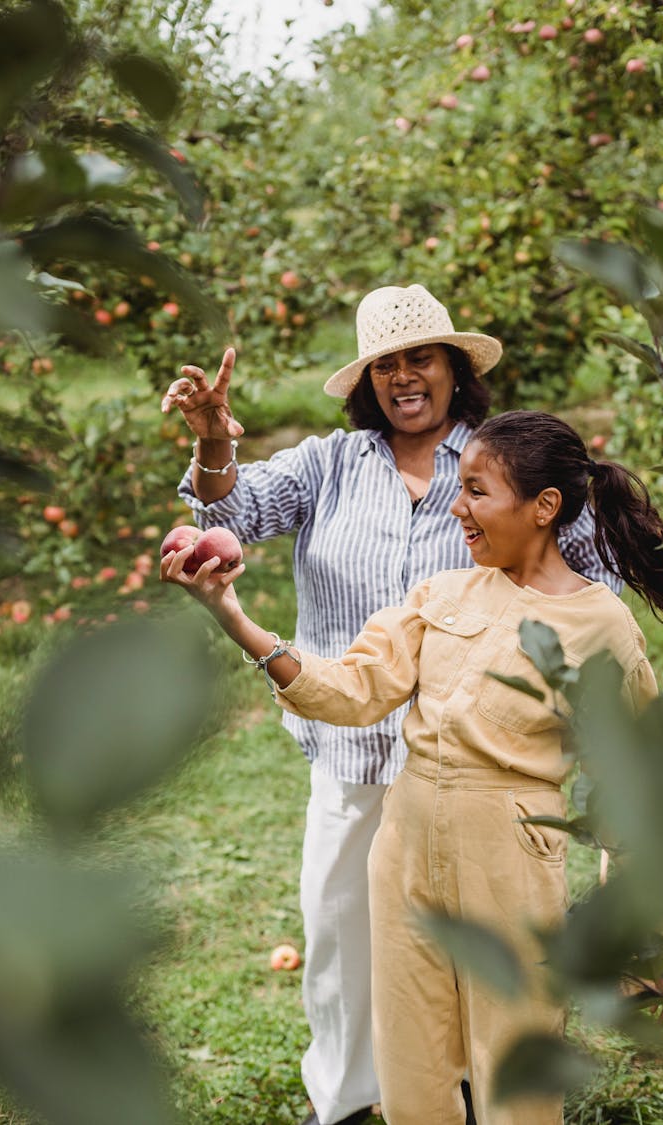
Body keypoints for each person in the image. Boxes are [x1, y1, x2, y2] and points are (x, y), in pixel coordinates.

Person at [160, 286, 620, 1125]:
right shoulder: (330, 463)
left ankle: (481, 1095)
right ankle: (343, 1102)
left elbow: (583, 577)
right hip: (350, 746)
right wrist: (215, 441)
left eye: (421, 358)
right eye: (386, 364)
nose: (404, 377)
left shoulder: (496, 467)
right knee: (341, 945)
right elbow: (228, 508)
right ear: (367, 380)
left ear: (453, 369)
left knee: (483, 955)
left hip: (476, 759)